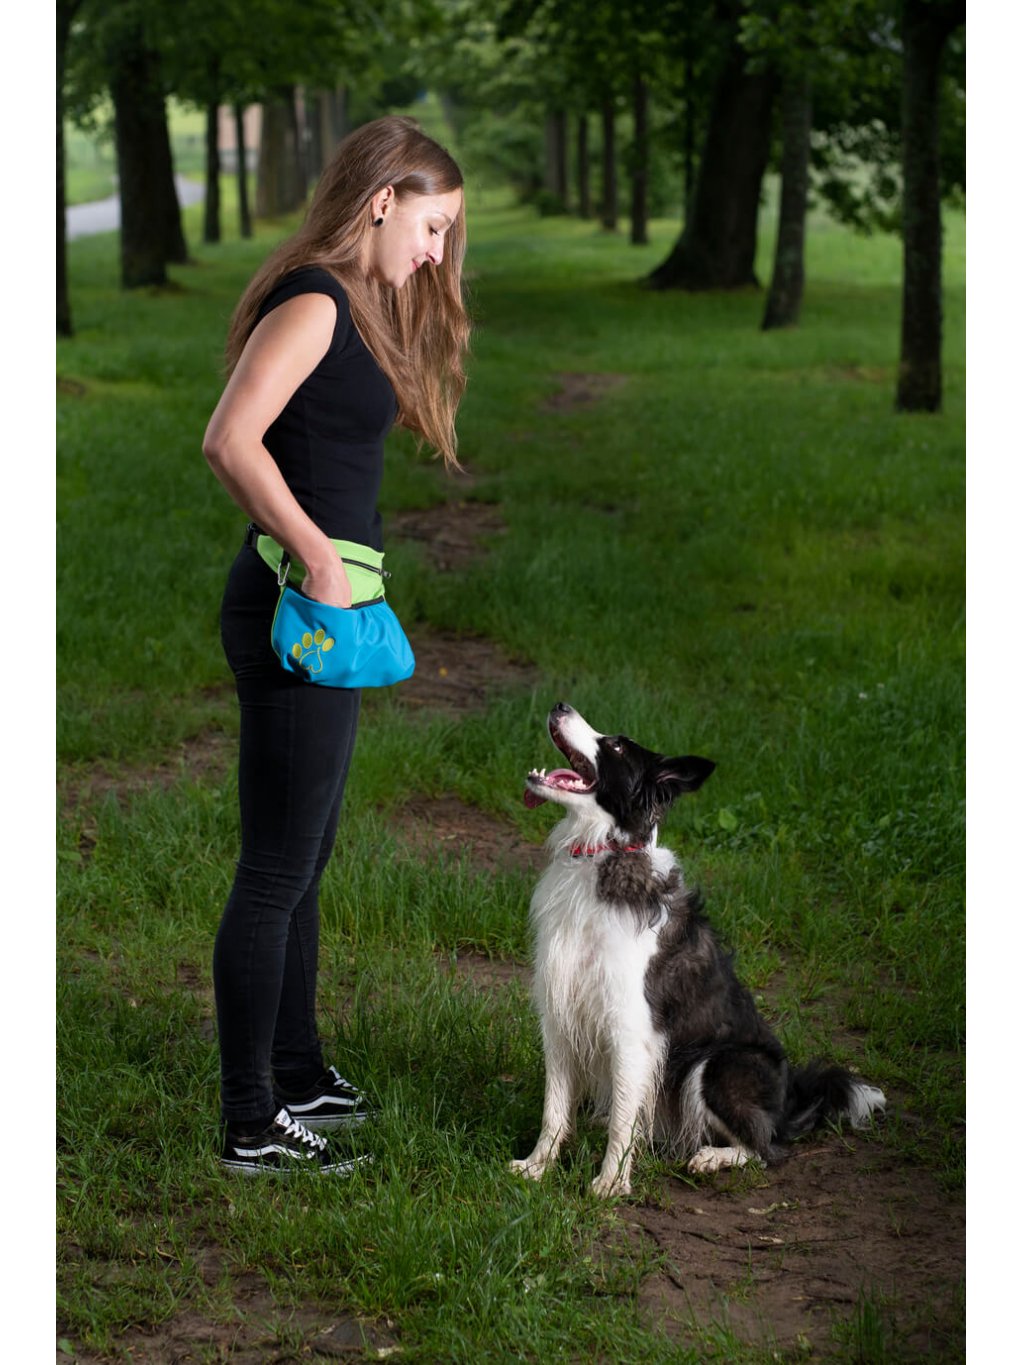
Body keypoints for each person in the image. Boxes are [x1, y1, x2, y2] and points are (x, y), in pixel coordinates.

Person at [202, 116, 469, 1174]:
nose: (437, 251)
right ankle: (250, 1119)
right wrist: (313, 553)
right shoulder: (314, 298)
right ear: (380, 199)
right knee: (274, 869)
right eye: (432, 225)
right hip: (294, 610)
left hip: (329, 607)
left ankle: (299, 1068)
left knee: (304, 858)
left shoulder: (354, 297)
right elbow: (230, 437)